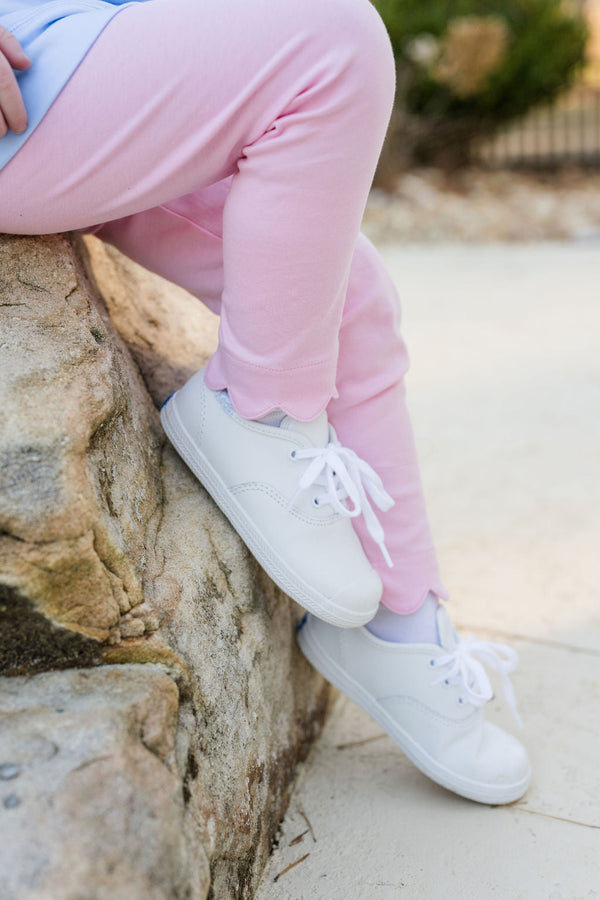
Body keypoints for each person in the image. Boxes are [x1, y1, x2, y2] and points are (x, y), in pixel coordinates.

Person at [0, 0, 530, 805]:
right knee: (333, 41)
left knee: (343, 292)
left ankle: (401, 624)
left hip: (80, 46)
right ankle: (262, 410)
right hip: (29, 67)